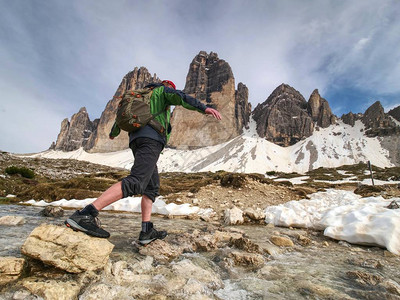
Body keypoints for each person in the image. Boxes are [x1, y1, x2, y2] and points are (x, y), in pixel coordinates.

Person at [65, 80, 222, 245]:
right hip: (151, 140)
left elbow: (122, 117)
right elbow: (181, 97)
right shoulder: (163, 92)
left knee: (151, 187)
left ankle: (146, 230)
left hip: (136, 140)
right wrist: (204, 108)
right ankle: (86, 214)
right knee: (137, 181)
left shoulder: (139, 97)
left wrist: (114, 132)